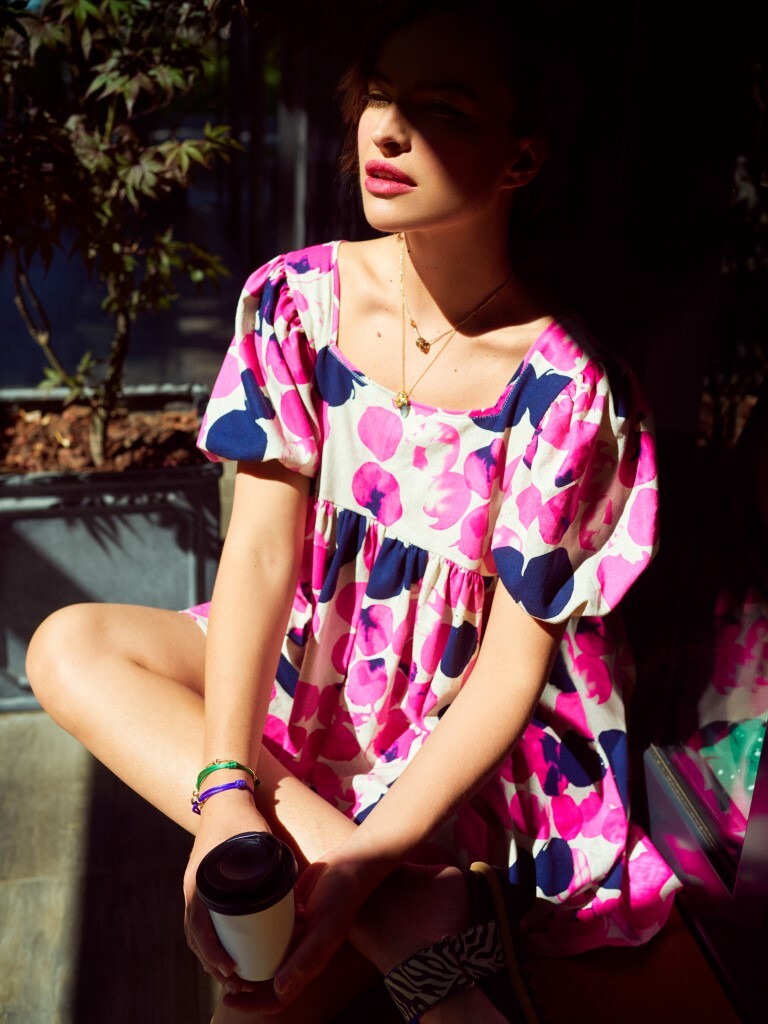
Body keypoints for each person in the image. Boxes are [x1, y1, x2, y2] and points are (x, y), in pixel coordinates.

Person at [26, 3, 680, 1022]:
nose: (388, 129)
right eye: (380, 95)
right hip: (306, 664)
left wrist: (369, 853)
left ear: (521, 157)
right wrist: (224, 797)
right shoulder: (296, 301)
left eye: (442, 109)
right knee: (69, 643)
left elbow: (511, 672)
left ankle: (377, 889)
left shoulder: (569, 388)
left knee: (251, 994)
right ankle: (404, 919)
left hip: (448, 735)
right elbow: (257, 561)